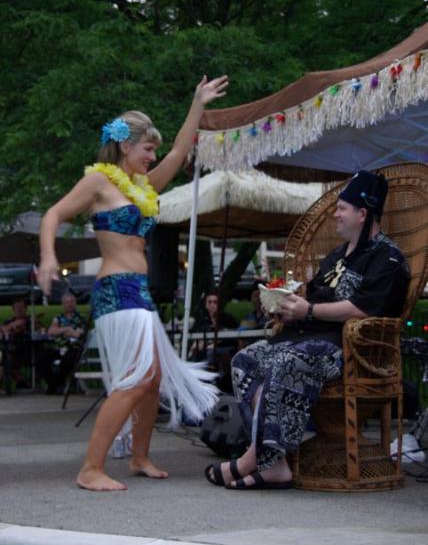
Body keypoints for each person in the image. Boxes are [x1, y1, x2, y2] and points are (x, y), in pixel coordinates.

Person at [38, 74, 228, 491]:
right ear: (126, 146)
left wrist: (198, 103)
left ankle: (140, 457)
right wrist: (48, 257)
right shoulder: (99, 183)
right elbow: (53, 214)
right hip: (115, 290)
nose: (152, 156)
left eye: (153, 150)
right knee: (136, 379)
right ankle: (91, 468)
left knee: (152, 380)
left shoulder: (144, 187)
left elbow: (179, 151)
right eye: (147, 149)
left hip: (138, 293)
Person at [204, 170, 410, 490]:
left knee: (284, 361)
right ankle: (274, 463)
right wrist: (286, 310)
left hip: (351, 349)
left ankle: (251, 459)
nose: (335, 215)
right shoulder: (336, 257)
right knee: (245, 360)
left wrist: (309, 311)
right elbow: (309, 300)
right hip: (307, 338)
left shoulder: (389, 259)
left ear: (362, 213)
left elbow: (363, 309)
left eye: (342, 208)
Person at [38, 291, 86, 394]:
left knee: (67, 360)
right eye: (67, 302)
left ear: (75, 303)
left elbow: (78, 334)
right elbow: (51, 331)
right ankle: (53, 384)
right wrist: (67, 329)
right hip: (60, 348)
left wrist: (59, 330)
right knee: (42, 357)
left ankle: (56, 385)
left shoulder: (81, 318)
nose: (70, 304)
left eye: (72, 301)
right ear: (63, 304)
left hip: (74, 348)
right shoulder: (58, 318)